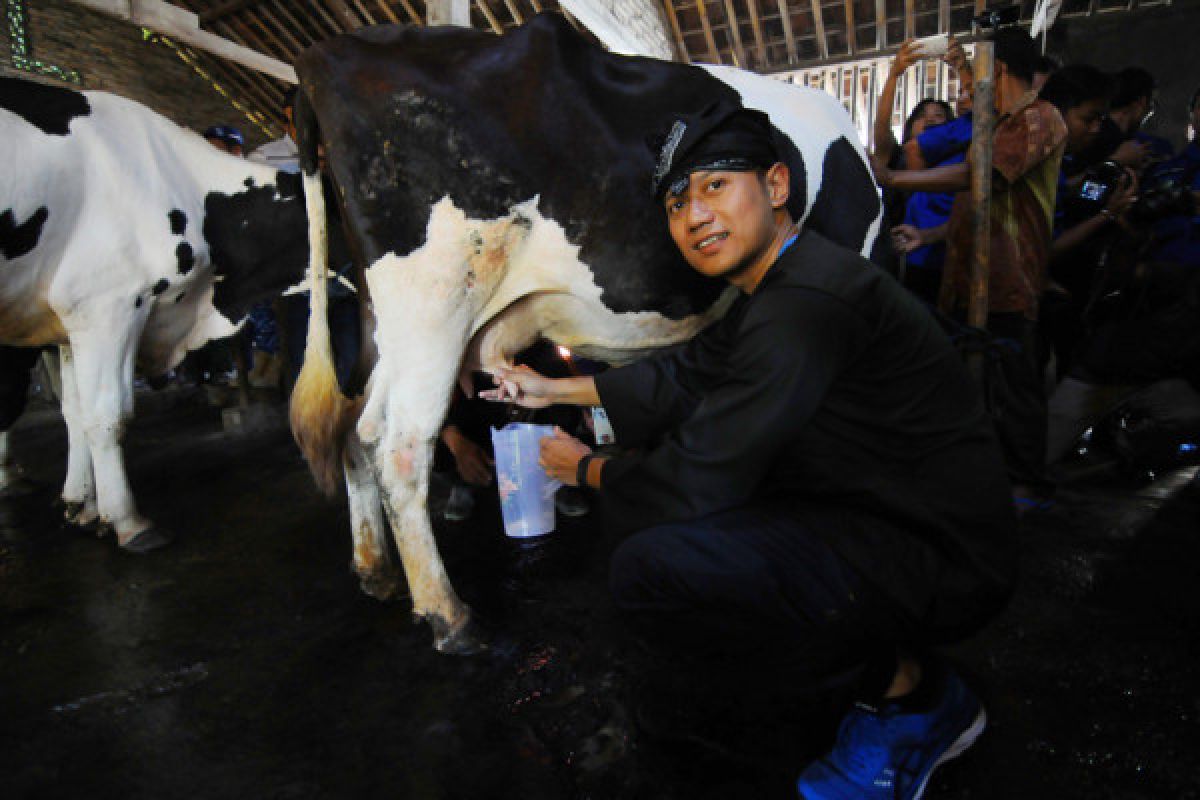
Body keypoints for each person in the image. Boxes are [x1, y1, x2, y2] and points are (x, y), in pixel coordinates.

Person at [484, 100, 1017, 798]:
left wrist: (586, 469)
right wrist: (549, 392)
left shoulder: (805, 303)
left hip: (943, 553)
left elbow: (704, 470)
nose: (694, 215)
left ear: (775, 187)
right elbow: (686, 372)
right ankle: (888, 667)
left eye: (714, 186)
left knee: (654, 560)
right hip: (898, 514)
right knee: (695, 513)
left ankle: (911, 703)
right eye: (676, 202)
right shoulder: (786, 281)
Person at [875, 27, 1068, 512]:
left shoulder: (1040, 118)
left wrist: (896, 177)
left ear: (997, 70)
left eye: (976, 74)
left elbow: (976, 178)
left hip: (1010, 277)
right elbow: (974, 207)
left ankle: (1025, 486)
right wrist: (931, 235)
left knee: (1013, 381)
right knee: (973, 377)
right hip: (965, 273)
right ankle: (979, 475)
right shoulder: (999, 122)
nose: (966, 88)